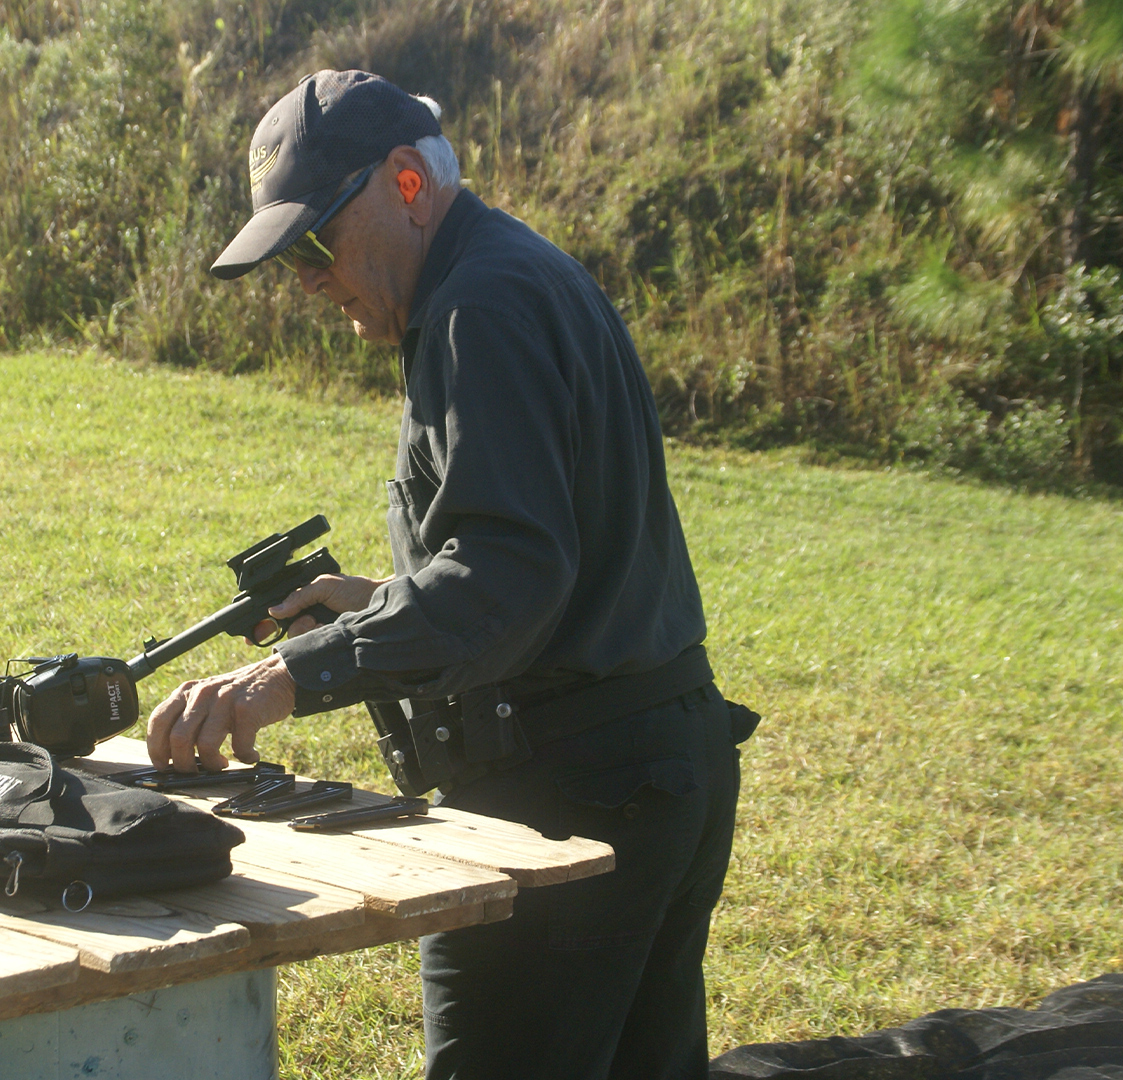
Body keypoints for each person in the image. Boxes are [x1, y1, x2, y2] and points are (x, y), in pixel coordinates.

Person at [143, 69, 751, 1080]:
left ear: (407, 183)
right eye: (286, 258)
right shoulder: (509, 278)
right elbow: (544, 565)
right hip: (648, 766)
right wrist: (374, 602)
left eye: (314, 242)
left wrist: (295, 676)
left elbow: (509, 575)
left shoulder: (480, 307)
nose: (306, 281)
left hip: (574, 797)